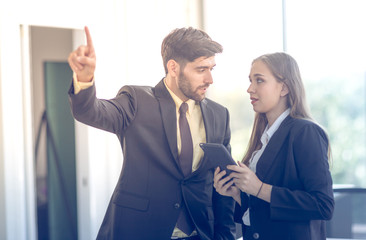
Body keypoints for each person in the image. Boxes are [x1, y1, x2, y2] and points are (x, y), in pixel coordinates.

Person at [67, 26, 236, 240]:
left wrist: (224, 236)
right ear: (173, 67)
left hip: (199, 233)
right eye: (201, 70)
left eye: (212, 68)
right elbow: (92, 112)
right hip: (140, 232)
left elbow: (224, 187)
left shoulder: (219, 115)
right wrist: (85, 78)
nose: (210, 79)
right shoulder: (137, 101)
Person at [213, 52, 334, 240]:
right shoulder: (263, 138)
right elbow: (262, 210)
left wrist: (259, 188)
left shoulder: (305, 132)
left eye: (259, 80)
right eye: (250, 80)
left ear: (284, 88)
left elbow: (323, 205)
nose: (250, 89)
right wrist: (237, 194)